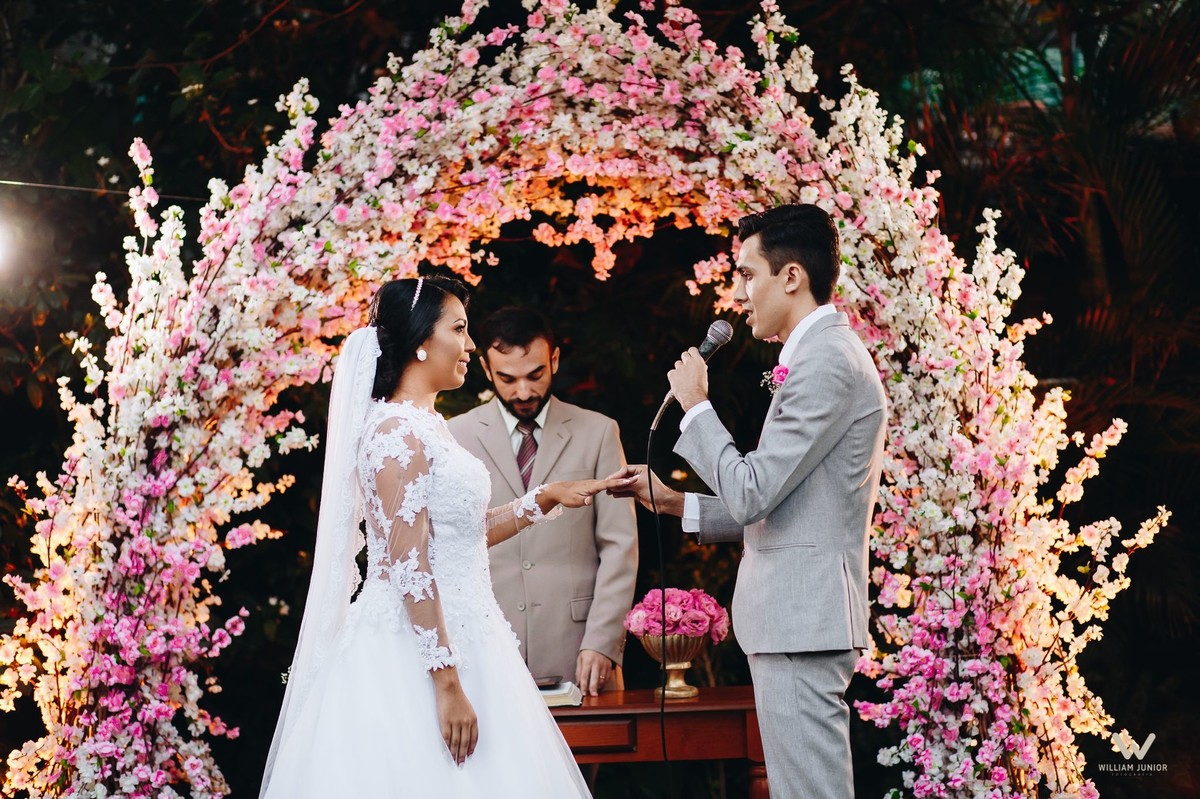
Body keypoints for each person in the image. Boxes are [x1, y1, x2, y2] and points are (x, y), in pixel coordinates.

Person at [260, 276, 630, 798]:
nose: (470, 345)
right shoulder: (394, 433)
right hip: (413, 653)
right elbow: (409, 564)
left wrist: (543, 498)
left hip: (470, 631)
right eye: (458, 329)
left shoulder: (428, 425)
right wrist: (447, 681)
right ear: (420, 341)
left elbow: (459, 537)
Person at [611, 205, 886, 799]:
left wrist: (696, 406)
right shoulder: (819, 355)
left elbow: (752, 491)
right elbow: (788, 507)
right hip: (796, 623)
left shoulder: (827, 361)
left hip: (802, 623)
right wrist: (672, 502)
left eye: (747, 274)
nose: (739, 293)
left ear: (791, 277)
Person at [448, 307, 637, 696]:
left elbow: (620, 545)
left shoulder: (599, 431)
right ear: (485, 369)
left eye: (535, 375)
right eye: (507, 378)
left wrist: (602, 641)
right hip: (485, 648)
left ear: (554, 359)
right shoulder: (454, 434)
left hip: (579, 649)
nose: (523, 392)